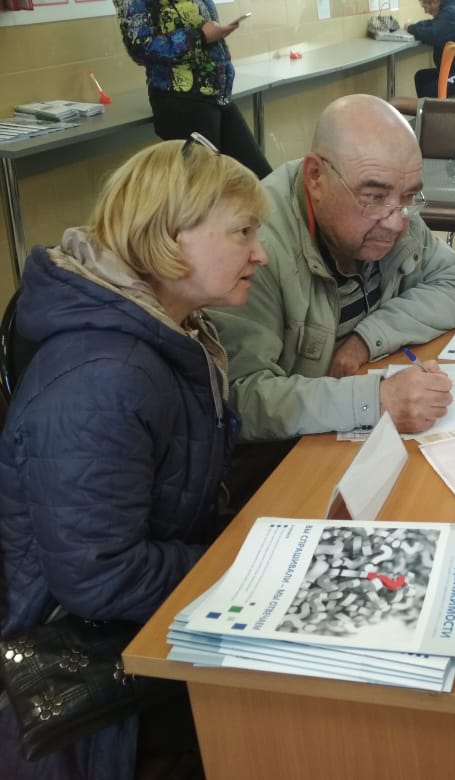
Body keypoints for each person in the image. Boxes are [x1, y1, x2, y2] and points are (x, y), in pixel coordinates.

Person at [0, 136, 269, 779]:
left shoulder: (171, 330)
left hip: (137, 615)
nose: (260, 252)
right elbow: (99, 578)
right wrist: (244, 572)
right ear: (170, 238)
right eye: (243, 232)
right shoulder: (104, 379)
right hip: (88, 674)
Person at [207, 94, 455, 463]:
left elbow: (454, 284)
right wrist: (375, 400)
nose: (397, 223)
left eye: (409, 197)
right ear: (316, 177)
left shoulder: (393, 208)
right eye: (374, 197)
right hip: (281, 461)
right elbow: (238, 397)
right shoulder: (255, 249)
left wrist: (364, 340)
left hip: (344, 432)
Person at [114, 0, 273, 178]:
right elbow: (141, 47)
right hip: (182, 100)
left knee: (259, 179)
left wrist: (215, 33)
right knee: (205, 187)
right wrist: (200, 36)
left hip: (217, 95)